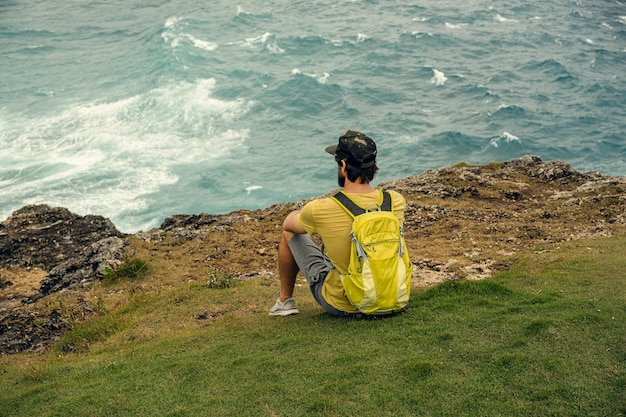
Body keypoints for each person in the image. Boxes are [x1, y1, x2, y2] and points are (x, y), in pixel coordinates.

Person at [269, 130, 407, 317]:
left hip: (344, 304)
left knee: (290, 234)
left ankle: (285, 302)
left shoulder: (323, 207)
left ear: (342, 165)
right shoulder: (395, 201)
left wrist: (303, 212)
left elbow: (288, 225)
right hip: (393, 299)